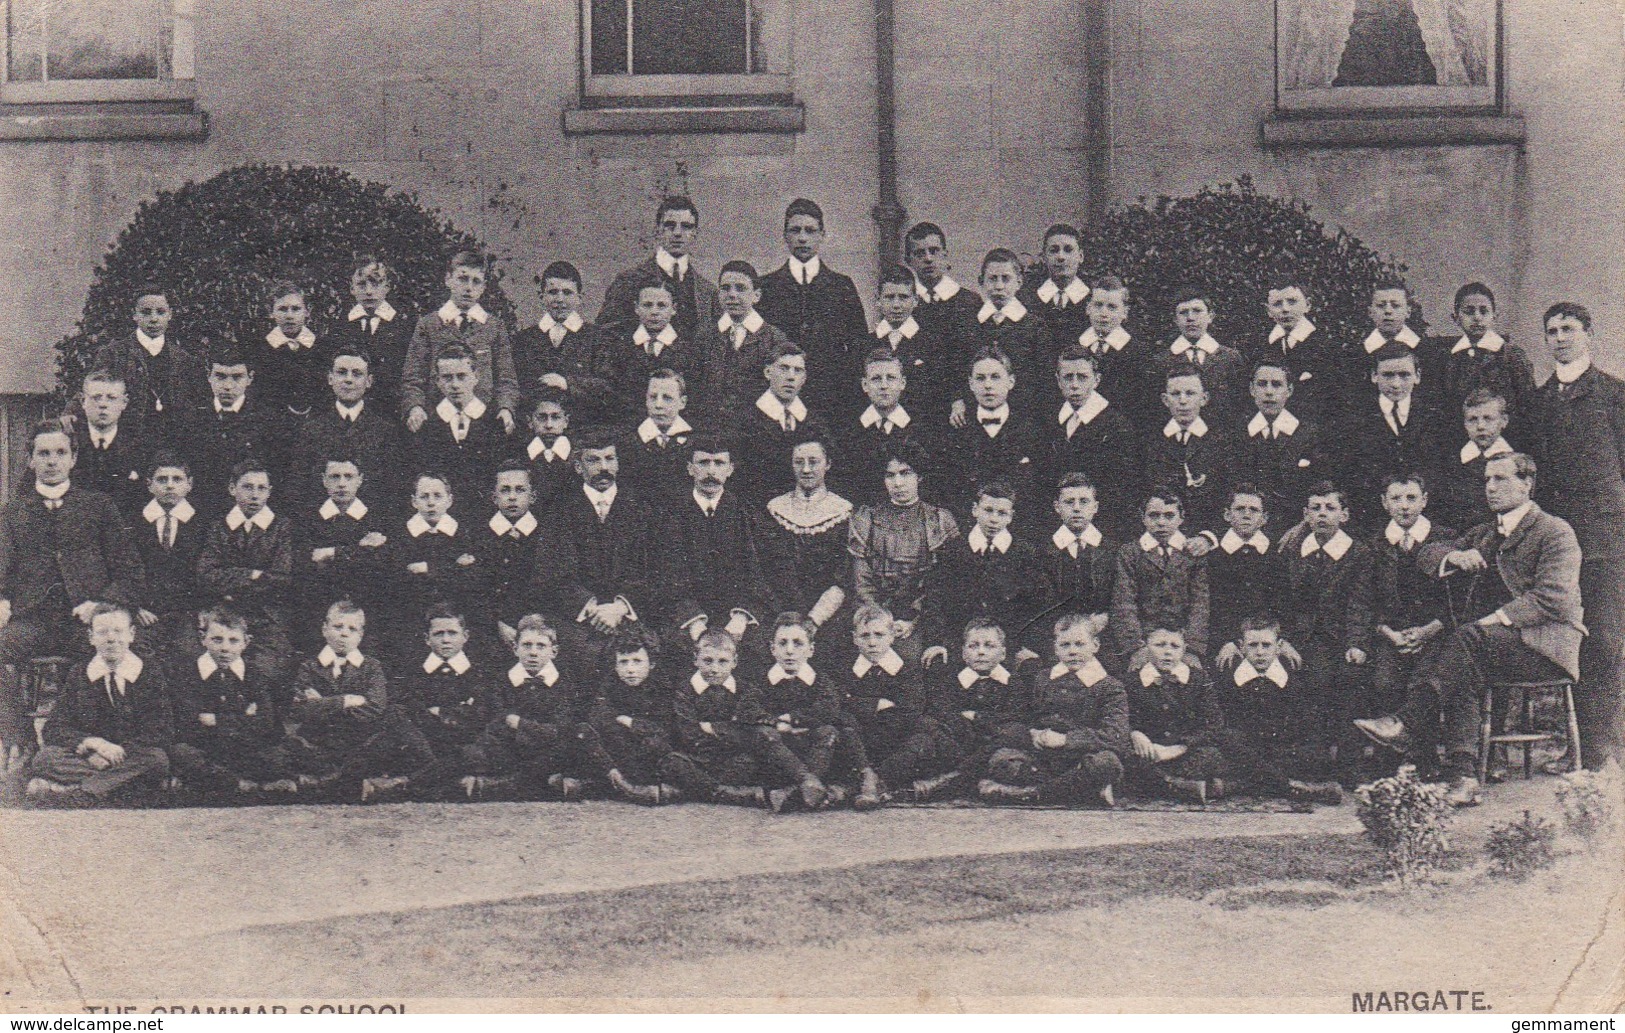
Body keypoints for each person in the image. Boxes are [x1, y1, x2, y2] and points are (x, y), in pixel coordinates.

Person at [1357, 453, 1585, 805]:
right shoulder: (1485, 533)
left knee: (1464, 642)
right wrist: (1454, 557)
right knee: (1459, 661)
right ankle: (1463, 777)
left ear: (1527, 484)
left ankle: (1406, 723)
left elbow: (1554, 598)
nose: (1490, 487)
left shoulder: (1554, 531)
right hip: (1488, 646)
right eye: (1487, 480)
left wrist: (1493, 619)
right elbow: (1428, 553)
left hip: (1544, 647)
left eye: (1501, 479)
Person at [0, 422, 146, 773]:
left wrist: (101, 606)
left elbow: (131, 572)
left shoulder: (99, 507)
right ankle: (20, 739)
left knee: (112, 655)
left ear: (74, 458)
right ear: (30, 460)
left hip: (85, 623)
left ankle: (92, 745)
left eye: (60, 453)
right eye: (43, 454)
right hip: (31, 620)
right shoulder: (12, 513)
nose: (52, 461)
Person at [1531, 302, 1625, 771]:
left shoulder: (1613, 394)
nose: (1560, 338)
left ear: (1588, 334)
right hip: (1557, 545)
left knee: (1606, 641)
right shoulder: (1539, 400)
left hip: (1606, 541)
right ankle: (1577, 748)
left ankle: (1602, 752)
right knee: (1568, 642)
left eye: (1569, 329)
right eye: (1552, 331)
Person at [1275, 481, 1374, 782]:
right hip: (1301, 638)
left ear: (1344, 515)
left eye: (1330, 508)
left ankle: (1349, 762)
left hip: (1341, 638)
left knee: (1349, 680)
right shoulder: (1293, 550)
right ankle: (1311, 760)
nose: (1322, 515)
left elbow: (1361, 603)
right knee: (1306, 680)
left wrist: (1356, 643)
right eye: (1315, 508)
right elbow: (1283, 601)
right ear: (1305, 514)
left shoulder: (1358, 554)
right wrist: (1283, 640)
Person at [288, 600, 434, 803]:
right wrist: (345, 700)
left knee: (395, 722)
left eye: (352, 629)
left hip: (359, 743)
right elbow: (299, 709)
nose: (344, 634)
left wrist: (323, 704)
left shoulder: (371, 667)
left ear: (361, 635)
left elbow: (374, 707)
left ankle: (334, 782)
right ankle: (337, 781)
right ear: (324, 629)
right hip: (321, 743)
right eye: (338, 627)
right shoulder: (310, 667)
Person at [25, 604, 171, 807]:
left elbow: (161, 729)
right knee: (45, 759)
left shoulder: (149, 673)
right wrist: (92, 746)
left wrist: (117, 752)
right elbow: (54, 728)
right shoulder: (80, 673)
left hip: (130, 754)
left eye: (118, 631)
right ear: (91, 637)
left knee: (157, 760)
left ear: (132, 634)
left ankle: (77, 791)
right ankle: (118, 787)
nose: (111, 638)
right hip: (92, 757)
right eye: (102, 632)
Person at [978, 613, 1128, 807]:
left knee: (1107, 764)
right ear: (1055, 648)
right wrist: (1034, 732)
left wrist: (1066, 740)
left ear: (1095, 645)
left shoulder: (1109, 686)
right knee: (1000, 759)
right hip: (1044, 757)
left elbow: (1115, 735)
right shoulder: (1043, 679)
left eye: (1079, 644)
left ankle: (1033, 794)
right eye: (1065, 645)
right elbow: (1028, 715)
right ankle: (1080, 790)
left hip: (1082, 756)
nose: (1072, 651)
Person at [1364, 472, 1454, 779]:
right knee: (1384, 681)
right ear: (1384, 503)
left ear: (1425, 500)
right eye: (1396, 499)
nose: (1404, 506)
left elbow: (1455, 599)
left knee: (1424, 681)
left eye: (1411, 498)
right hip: (1389, 634)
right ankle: (1389, 760)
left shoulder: (1444, 539)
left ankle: (1426, 760)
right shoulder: (1374, 545)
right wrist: (1388, 633)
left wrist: (1428, 631)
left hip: (1434, 633)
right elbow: (1365, 599)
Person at [654, 435, 774, 659]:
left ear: (730, 469)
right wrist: (694, 621)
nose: (711, 471)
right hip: (687, 620)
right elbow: (668, 576)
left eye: (718, 463)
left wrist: (739, 620)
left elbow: (760, 575)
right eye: (703, 463)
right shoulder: (671, 516)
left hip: (739, 620)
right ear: (690, 468)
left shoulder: (746, 515)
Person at [848, 440, 960, 666]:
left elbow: (941, 582)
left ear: (919, 476)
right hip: (873, 621)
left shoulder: (939, 519)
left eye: (905, 473)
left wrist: (913, 620)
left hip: (922, 620)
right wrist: (879, 620)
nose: (897, 483)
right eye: (890, 475)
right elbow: (862, 580)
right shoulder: (866, 518)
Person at [166, 606, 298, 797]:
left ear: (246, 642)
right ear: (203, 639)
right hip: (205, 748)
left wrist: (217, 720)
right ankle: (240, 783)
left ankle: (223, 782)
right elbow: (187, 723)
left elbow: (266, 723)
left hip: (244, 748)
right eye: (217, 640)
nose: (225, 648)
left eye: (233, 640)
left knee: (279, 752)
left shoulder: (254, 675)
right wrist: (243, 718)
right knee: (181, 754)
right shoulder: (187, 674)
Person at [756, 198, 868, 415]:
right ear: (785, 236)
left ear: (822, 235)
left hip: (831, 399)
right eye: (795, 230)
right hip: (780, 399)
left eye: (810, 230)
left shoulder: (842, 286)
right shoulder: (767, 287)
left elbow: (858, 345)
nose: (802, 238)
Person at [1218, 616, 1343, 806]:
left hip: (1280, 748)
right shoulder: (1229, 675)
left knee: (1314, 755)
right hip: (1245, 748)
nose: (1260, 652)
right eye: (1253, 645)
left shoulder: (1292, 676)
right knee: (1224, 745)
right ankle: (1290, 786)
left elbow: (1306, 721)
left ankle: (1241, 785)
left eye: (1266, 645)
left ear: (1279, 647)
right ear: (1241, 647)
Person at [462, 614, 587, 800]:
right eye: (527, 645)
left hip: (547, 752)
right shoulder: (502, 681)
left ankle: (498, 787)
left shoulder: (564, 684)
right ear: (515, 648)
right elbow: (499, 722)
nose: (533, 652)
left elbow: (559, 729)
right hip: (511, 750)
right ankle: (545, 786)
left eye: (541, 646)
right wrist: (529, 731)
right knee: (477, 750)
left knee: (571, 745)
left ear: (554, 651)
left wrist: (520, 724)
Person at [925, 482, 1053, 661]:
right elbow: (935, 599)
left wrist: (1028, 645)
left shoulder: (1025, 554)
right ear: (975, 510)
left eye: (1002, 513)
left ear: (1011, 517)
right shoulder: (953, 551)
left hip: (1010, 646)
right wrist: (937, 641)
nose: (994, 519)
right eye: (988, 510)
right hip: (959, 644)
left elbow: (1039, 603)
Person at [196, 460, 296, 687]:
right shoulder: (218, 527)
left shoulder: (282, 527)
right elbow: (206, 576)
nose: (255, 495)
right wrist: (253, 574)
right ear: (232, 489)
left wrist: (230, 577)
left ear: (270, 492)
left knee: (265, 670)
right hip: (223, 613)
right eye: (247, 487)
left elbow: (282, 578)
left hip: (267, 616)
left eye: (261, 488)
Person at [401, 250, 520, 436]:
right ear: (448, 279)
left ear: (483, 287)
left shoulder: (494, 327)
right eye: (463, 279)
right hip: (437, 421)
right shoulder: (429, 325)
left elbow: (506, 379)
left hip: (483, 422)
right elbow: (412, 378)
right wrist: (415, 407)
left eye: (476, 281)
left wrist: (506, 409)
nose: (468, 288)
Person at [655, 629, 776, 808]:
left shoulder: (746, 690)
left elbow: (746, 732)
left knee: (751, 761)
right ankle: (726, 794)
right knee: (671, 762)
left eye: (722, 662)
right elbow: (689, 734)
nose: (714, 669)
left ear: (734, 662)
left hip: (730, 759)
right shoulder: (684, 692)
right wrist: (728, 731)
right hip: (697, 759)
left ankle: (692, 791)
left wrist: (714, 729)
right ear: (695, 658)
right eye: (708, 661)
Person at [838, 604, 946, 804]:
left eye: (879, 635)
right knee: (844, 727)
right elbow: (840, 703)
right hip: (863, 741)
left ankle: (878, 782)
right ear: (854, 638)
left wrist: (860, 705)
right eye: (865, 636)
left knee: (924, 738)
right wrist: (875, 704)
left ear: (892, 636)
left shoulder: (907, 667)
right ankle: (867, 775)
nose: (872, 642)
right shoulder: (847, 669)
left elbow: (913, 707)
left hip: (895, 738)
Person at [75, 284, 208, 440]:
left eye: (160, 312)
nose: (153, 319)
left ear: (170, 315)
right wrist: (70, 414)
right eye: (146, 312)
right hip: (127, 441)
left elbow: (201, 403)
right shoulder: (114, 354)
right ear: (134, 315)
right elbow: (91, 389)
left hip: (175, 443)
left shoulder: (184, 359)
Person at [286, 345, 404, 515]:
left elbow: (392, 491)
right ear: (330, 378)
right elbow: (298, 487)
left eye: (357, 374)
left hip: (372, 530)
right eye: (341, 372)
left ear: (369, 381)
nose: (348, 379)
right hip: (320, 528)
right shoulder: (311, 429)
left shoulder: (385, 431)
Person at [1341, 344, 1448, 531]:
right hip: (1371, 522)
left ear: (1417, 376)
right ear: (1374, 376)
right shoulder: (1354, 420)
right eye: (1388, 375)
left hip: (1428, 520)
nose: (1396, 384)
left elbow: (1442, 470)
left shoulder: (1437, 416)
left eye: (1404, 375)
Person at [396, 605, 499, 800]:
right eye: (438, 634)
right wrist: (457, 712)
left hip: (466, 747)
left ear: (465, 636)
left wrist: (440, 712)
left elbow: (483, 713)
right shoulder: (414, 672)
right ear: (427, 638)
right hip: (425, 747)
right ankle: (445, 783)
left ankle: (407, 785)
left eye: (452, 633)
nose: (446, 640)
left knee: (477, 753)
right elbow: (410, 711)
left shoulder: (480, 672)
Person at [1039, 344, 1139, 537]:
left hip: (1102, 527)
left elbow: (1121, 487)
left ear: (1096, 380)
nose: (1075, 385)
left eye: (1082, 377)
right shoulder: (1051, 421)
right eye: (1068, 377)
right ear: (1058, 381)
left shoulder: (1116, 425)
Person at [750, 612, 844, 812]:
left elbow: (830, 707)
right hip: (780, 754)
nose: (789, 651)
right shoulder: (763, 681)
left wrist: (795, 719)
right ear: (773, 649)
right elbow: (748, 708)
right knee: (763, 733)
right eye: (783, 643)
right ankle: (808, 782)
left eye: (797, 643)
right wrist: (777, 723)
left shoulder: (819, 680)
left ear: (810, 650)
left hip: (810, 749)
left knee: (828, 732)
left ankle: (793, 792)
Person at [760, 438, 853, 639]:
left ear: (828, 464)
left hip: (830, 618)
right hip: (778, 614)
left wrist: (814, 620)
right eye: (799, 462)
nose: (806, 469)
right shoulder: (775, 509)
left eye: (814, 461)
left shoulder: (843, 512)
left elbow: (843, 575)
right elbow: (767, 569)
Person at [293, 455, 389, 645]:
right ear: (324, 480)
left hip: (367, 603)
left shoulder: (377, 518)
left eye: (349, 476)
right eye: (335, 477)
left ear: (360, 479)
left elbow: (381, 561)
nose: (342, 484)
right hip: (321, 604)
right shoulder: (308, 519)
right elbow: (307, 561)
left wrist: (333, 553)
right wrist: (359, 550)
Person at [578, 625, 679, 806]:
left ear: (652, 663)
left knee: (656, 744)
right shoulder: (610, 684)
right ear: (615, 666)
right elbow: (598, 717)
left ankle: (609, 785)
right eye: (623, 662)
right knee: (584, 732)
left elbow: (664, 727)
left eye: (637, 661)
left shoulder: (661, 688)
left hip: (642, 751)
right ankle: (625, 786)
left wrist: (631, 722)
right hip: (616, 747)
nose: (630, 669)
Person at [1125, 626, 1227, 803]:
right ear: (1146, 647)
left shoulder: (1199, 679)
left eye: (1175, 646)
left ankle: (1169, 784)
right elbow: (1120, 717)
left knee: (1211, 755)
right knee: (1125, 758)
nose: (1167, 652)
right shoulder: (1130, 681)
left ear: (1184, 649)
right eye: (1160, 645)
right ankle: (1178, 785)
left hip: (1186, 751)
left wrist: (1180, 747)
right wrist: (1134, 733)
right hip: (1149, 751)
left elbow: (1214, 724)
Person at [177, 345, 279, 521]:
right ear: (209, 376)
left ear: (250, 378)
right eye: (220, 377)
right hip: (201, 516)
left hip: (251, 516)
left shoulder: (268, 421)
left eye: (237, 377)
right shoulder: (190, 418)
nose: (228, 386)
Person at [1110, 489, 1209, 670]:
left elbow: (1200, 603)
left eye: (1169, 516)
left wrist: (1192, 648)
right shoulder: (1130, 552)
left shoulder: (1192, 553)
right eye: (1154, 516)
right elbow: (1124, 602)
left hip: (1182, 641)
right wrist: (1135, 648)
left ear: (1181, 518)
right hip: (1144, 641)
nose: (1161, 522)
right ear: (1143, 518)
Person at [597, 196, 720, 340]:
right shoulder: (627, 281)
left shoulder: (707, 292)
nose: (678, 233)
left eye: (686, 226)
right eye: (670, 226)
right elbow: (605, 335)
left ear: (695, 233)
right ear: (658, 230)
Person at [728, 341, 830, 507]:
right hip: (757, 508)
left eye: (798, 371)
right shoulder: (744, 419)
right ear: (768, 372)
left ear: (804, 379)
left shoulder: (815, 422)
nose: (791, 376)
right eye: (784, 368)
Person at [511, 260, 612, 423]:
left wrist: (567, 383)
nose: (559, 299)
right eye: (553, 292)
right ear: (541, 296)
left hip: (583, 429)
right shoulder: (524, 340)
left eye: (567, 293)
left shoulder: (597, 338)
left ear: (579, 298)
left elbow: (607, 387)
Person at [1436, 282, 1535, 446]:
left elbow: (1527, 406)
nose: (1477, 317)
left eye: (1484, 311)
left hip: (1506, 445)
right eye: (1469, 311)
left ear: (1494, 316)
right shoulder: (1449, 360)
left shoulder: (1511, 357)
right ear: (1456, 317)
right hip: (1461, 448)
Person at [943, 346, 1040, 511]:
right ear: (970, 384)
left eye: (995, 377)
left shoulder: (1030, 428)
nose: (988, 385)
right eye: (980, 378)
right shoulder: (957, 428)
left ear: (1011, 382)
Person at [1142, 369, 1237, 533]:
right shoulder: (1150, 441)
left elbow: (1229, 495)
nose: (1183, 401)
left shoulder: (1222, 441)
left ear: (1204, 398)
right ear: (1165, 400)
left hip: (1205, 537)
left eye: (1190, 393)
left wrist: (1210, 535)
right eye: (1175, 394)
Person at [1195, 486, 1282, 665]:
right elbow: (1209, 606)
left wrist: (1282, 639)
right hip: (1220, 640)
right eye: (1240, 509)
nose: (1247, 515)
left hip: (1265, 642)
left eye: (1254, 510)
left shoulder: (1275, 555)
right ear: (1227, 515)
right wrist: (1229, 640)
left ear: (1264, 518)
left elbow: (1282, 604)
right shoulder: (1213, 556)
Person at [410, 343, 509, 499]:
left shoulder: (494, 422)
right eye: (447, 378)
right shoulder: (427, 425)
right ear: (437, 381)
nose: (455, 385)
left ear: (476, 377)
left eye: (461, 376)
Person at [132, 452, 206, 657]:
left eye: (177, 479)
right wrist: (134, 607)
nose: (170, 486)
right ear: (149, 484)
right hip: (145, 613)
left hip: (187, 614)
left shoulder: (203, 524)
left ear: (189, 484)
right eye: (162, 480)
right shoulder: (134, 523)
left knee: (190, 655)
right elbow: (124, 568)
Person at [603, 277, 708, 421]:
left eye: (661, 305)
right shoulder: (620, 347)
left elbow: (695, 399)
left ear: (674, 309)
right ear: (636, 308)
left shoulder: (689, 349)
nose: (654, 312)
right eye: (647, 305)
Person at [866, 264, 953, 431]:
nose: (896, 305)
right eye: (890, 297)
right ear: (878, 300)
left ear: (915, 300)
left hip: (921, 430)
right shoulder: (865, 343)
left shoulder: (933, 343)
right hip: (877, 429)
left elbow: (939, 394)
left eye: (903, 297)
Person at [1234, 360, 1323, 523]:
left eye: (1276, 385)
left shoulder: (1308, 434)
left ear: (1289, 390)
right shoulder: (1238, 433)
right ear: (1252, 390)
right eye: (1262, 384)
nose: (1269, 392)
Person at [1146, 286, 1248, 426]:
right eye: (1183, 313)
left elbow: (1240, 405)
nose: (1190, 318)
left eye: (1197, 311)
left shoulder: (1229, 358)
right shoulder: (1161, 361)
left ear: (1210, 316)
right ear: (1175, 320)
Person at [701, 259, 793, 413]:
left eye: (740, 288)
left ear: (756, 295)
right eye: (725, 288)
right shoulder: (705, 337)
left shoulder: (774, 339)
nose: (732, 295)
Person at [1250, 277, 1344, 425]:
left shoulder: (1327, 348)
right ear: (1268, 311)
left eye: (1292, 302)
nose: (1285, 309)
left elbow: (1337, 402)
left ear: (1307, 305)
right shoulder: (1261, 347)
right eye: (1277, 304)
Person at [332, 255, 414, 419]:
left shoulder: (404, 325)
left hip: (390, 411)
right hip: (350, 412)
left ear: (387, 287)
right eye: (361, 284)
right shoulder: (339, 325)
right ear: (352, 288)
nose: (369, 291)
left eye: (375, 283)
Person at [1039, 474, 1119, 632]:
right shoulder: (1043, 552)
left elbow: (1120, 600)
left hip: (1102, 634)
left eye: (1084, 502)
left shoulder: (1113, 551)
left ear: (1095, 507)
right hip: (1057, 635)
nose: (1076, 508)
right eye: (1069, 502)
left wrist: (1106, 618)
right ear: (1057, 507)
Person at [71, 369, 150, 523]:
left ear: (124, 403)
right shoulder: (66, 443)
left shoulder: (141, 447)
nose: (103, 404)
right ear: (83, 402)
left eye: (111, 398)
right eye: (96, 398)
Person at [1434, 388, 1516, 532]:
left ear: (1504, 421)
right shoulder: (1450, 462)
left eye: (1488, 418)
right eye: (1472, 419)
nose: (1480, 426)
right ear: (1465, 423)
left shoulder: (1518, 461)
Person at [620, 369, 700, 506]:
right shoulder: (629, 441)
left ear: (682, 402)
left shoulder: (695, 441)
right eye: (653, 397)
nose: (658, 405)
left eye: (667, 398)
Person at [903, 221, 982, 359]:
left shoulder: (969, 302)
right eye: (919, 253)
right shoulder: (904, 304)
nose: (928, 259)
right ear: (909, 260)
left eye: (934, 251)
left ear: (945, 255)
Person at [256, 280, 333, 421]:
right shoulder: (260, 350)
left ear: (307, 311)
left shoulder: (322, 348)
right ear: (271, 312)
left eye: (296, 309)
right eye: (283, 309)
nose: (289, 315)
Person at [1019, 223, 1091, 348]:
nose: (1061, 257)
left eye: (1068, 250)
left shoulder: (1093, 298)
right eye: (1054, 250)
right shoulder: (1027, 297)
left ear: (1080, 256)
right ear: (1045, 257)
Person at [514, 388, 575, 504]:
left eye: (555, 417)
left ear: (566, 421)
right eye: (542, 417)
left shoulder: (577, 454)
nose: (548, 425)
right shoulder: (520, 455)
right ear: (530, 422)